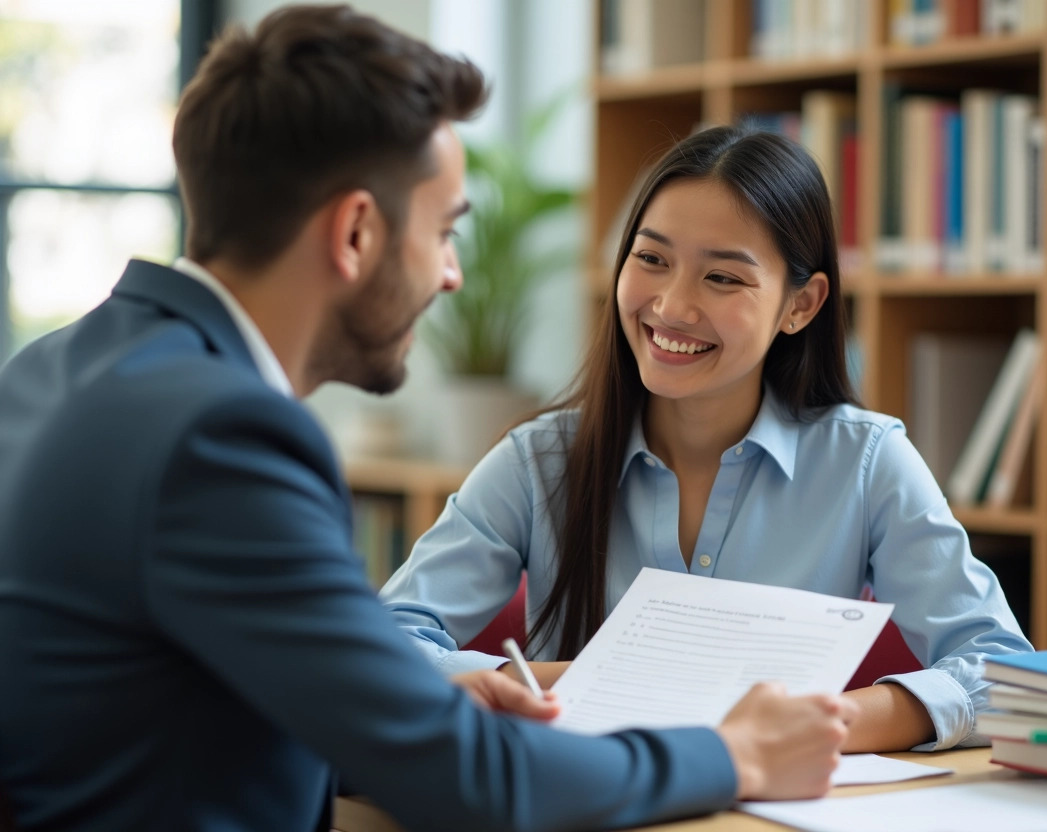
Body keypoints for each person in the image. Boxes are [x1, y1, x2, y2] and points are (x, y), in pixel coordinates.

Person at [0, 7, 859, 832]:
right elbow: (476, 787)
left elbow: (168, 702)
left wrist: (426, 703)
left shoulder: (53, 369)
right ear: (357, 234)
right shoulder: (222, 438)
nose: (452, 274)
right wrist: (731, 754)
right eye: (444, 231)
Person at [381, 124, 1035, 753]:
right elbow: (383, 645)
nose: (671, 306)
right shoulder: (538, 462)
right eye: (651, 259)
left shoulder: (866, 463)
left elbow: (1002, 674)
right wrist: (575, 683)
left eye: (722, 277)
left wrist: (829, 722)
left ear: (800, 306)